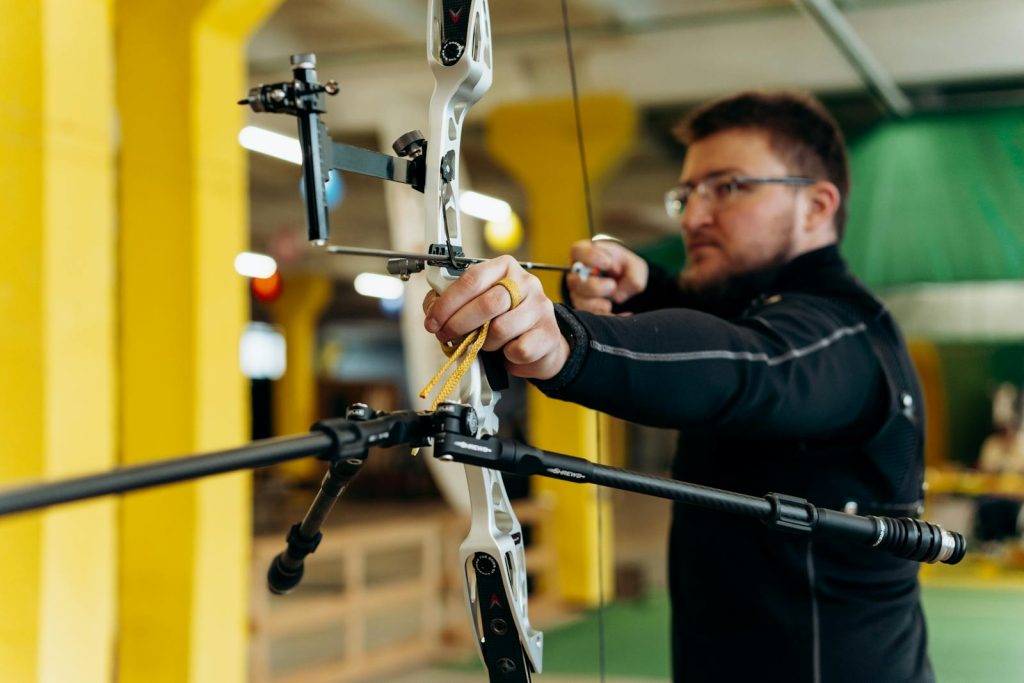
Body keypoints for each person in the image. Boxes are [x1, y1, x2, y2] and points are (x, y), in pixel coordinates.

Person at [423, 91, 931, 682]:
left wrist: (564, 340)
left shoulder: (844, 336)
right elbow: (729, 325)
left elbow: (748, 365)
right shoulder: (770, 313)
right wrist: (646, 292)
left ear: (816, 206)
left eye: (729, 187)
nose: (693, 216)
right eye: (687, 194)